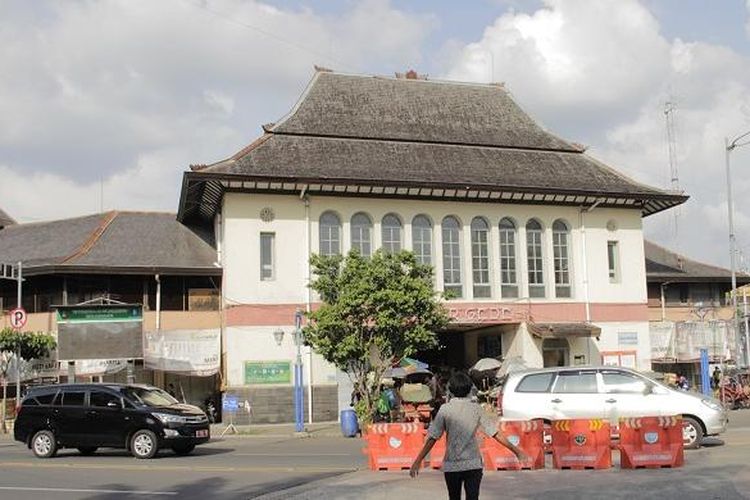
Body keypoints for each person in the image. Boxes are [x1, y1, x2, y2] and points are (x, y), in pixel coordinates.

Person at [409, 372, 529, 500]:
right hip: (473, 464)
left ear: (450, 390)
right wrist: (517, 451)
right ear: (469, 389)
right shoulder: (476, 409)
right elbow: (495, 433)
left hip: (452, 465)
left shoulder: (445, 409)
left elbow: (432, 438)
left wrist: (418, 461)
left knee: (454, 497)